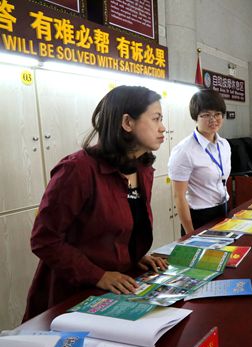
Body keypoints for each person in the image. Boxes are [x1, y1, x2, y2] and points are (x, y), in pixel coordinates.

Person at [23, 86, 168, 322]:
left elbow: (117, 228)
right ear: (127, 123)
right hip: (73, 295)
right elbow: (44, 240)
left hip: (117, 290)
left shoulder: (142, 169)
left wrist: (132, 255)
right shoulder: (77, 170)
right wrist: (98, 275)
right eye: (156, 119)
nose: (163, 127)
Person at [168, 89, 231, 236]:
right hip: (199, 216)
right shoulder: (184, 151)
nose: (213, 119)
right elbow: (179, 196)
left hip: (223, 209)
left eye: (217, 114)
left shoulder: (224, 145)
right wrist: (191, 234)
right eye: (206, 115)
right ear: (195, 117)